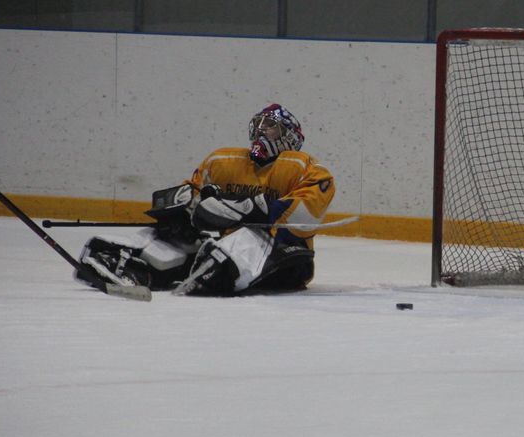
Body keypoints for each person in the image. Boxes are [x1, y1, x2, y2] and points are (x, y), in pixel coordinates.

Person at [75, 103, 335, 295]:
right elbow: (191, 191)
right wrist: (184, 213)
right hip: (219, 246)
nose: (261, 132)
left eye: (271, 127)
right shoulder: (223, 161)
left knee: (246, 239)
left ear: (290, 135)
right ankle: (131, 263)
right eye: (258, 125)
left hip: (288, 259)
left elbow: (301, 218)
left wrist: (251, 208)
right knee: (173, 240)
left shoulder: (303, 166)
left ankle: (214, 270)